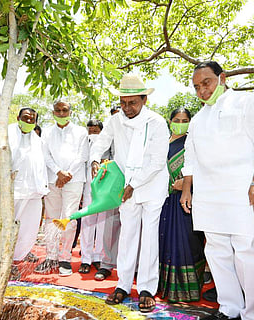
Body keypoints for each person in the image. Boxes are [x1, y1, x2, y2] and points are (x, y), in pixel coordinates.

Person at [180, 61, 254, 320]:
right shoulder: (198, 119)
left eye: (206, 83)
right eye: (196, 87)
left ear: (222, 78)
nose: (202, 91)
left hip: (245, 190)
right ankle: (230, 308)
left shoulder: (248, 102)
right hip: (210, 194)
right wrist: (186, 190)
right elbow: (190, 157)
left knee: (250, 251)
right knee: (216, 250)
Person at [91, 73, 169, 313]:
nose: (127, 108)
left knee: (149, 239)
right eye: (123, 103)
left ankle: (146, 289)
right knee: (127, 237)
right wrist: (95, 159)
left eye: (132, 103)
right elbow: (100, 141)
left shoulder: (156, 122)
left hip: (151, 186)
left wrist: (133, 184)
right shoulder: (115, 120)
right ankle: (123, 285)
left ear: (144, 100)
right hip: (125, 188)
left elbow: (157, 161)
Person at [0, 107, 48, 279]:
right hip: (7, 189)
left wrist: (44, 188)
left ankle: (14, 263)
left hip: (32, 192)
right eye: (26, 118)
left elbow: (42, 164)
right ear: (18, 117)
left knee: (27, 229)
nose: (29, 121)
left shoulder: (37, 139)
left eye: (33, 119)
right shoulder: (5, 133)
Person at [35, 101, 89, 276]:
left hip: (74, 179)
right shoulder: (47, 131)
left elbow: (83, 156)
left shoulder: (81, 131)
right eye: (57, 110)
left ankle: (65, 258)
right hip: (53, 179)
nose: (61, 113)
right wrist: (58, 172)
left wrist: (68, 174)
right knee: (51, 218)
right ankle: (51, 257)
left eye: (64, 110)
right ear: (53, 112)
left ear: (70, 112)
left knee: (68, 218)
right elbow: (45, 155)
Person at [158, 108, 206, 303]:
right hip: (163, 200)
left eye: (184, 120)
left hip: (185, 200)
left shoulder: (193, 143)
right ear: (170, 122)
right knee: (164, 241)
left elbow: (204, 168)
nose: (180, 122)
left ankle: (188, 288)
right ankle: (165, 285)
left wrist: (187, 184)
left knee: (187, 241)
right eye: (177, 119)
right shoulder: (161, 143)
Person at [94, 106, 122, 281]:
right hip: (113, 183)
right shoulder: (109, 134)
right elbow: (102, 156)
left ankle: (133, 267)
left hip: (137, 182)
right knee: (111, 224)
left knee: (136, 226)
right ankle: (107, 264)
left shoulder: (142, 128)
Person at [78, 119, 108, 274]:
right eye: (90, 130)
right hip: (88, 189)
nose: (93, 133)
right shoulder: (84, 144)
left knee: (102, 224)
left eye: (96, 130)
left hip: (105, 189)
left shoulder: (108, 144)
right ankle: (85, 259)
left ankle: (98, 258)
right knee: (87, 222)